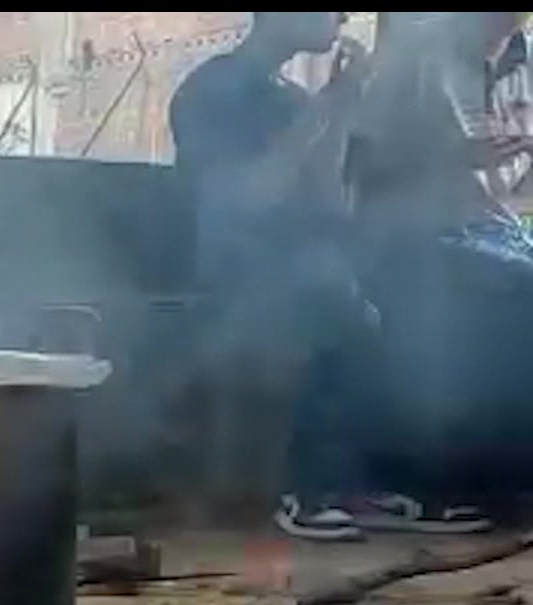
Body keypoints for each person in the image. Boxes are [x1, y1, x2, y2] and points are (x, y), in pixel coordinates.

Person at [169, 12, 488, 541]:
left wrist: (344, 110)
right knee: (323, 293)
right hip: (238, 272)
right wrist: (331, 103)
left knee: (420, 292)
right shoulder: (212, 89)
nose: (342, 15)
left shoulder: (293, 97)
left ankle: (368, 486)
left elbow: (331, 202)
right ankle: (307, 491)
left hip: (307, 261)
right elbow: (250, 197)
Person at [348, 13, 533, 517]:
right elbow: (359, 165)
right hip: (411, 232)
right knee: (515, 294)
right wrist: (448, 157)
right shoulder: (415, 55)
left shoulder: (526, 57)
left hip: (499, 230)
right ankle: (466, 484)